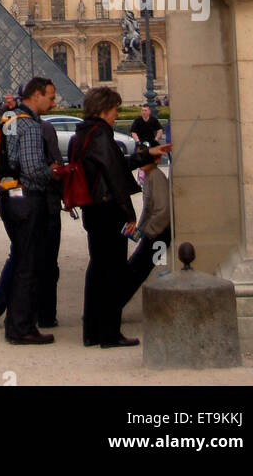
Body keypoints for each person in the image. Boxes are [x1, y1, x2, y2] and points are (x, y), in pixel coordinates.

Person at [71, 87, 171, 349]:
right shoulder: (102, 135)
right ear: (104, 110)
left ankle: (91, 331)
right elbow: (115, 177)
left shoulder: (81, 134)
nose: (116, 115)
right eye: (115, 110)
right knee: (113, 273)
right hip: (108, 211)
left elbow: (115, 163)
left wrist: (146, 155)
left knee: (97, 270)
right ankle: (109, 334)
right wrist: (129, 214)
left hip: (92, 210)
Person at [0, 77, 60, 344]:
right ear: (35, 95)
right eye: (50, 97)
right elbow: (31, 168)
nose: (54, 102)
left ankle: (15, 324)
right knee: (29, 265)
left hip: (9, 199)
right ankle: (21, 328)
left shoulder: (9, 120)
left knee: (20, 261)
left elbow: (12, 160)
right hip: (28, 200)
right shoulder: (28, 126)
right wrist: (52, 173)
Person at [120, 156, 172, 306]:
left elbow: (163, 210)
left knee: (139, 269)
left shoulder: (156, 177)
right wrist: (140, 230)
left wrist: (147, 231)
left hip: (158, 234)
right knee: (136, 269)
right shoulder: (150, 177)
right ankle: (116, 304)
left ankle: (115, 304)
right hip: (154, 232)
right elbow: (148, 209)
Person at [37, 110, 64, 329]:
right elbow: (57, 167)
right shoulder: (45, 129)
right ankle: (46, 315)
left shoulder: (11, 127)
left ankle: (14, 309)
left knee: (25, 260)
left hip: (22, 205)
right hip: (48, 204)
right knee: (49, 264)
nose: (54, 102)